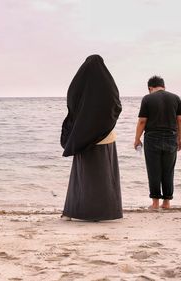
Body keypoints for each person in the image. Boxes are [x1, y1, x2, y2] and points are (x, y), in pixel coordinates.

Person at [60, 54, 123, 221]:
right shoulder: (109, 87)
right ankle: (105, 213)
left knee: (82, 176)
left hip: (83, 135)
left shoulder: (77, 85)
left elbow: (72, 104)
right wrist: (103, 124)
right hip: (105, 136)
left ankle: (77, 211)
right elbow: (116, 106)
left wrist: (82, 125)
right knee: (104, 175)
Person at [134, 76, 181, 209]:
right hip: (171, 137)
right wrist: (180, 138)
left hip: (152, 138)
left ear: (150, 88)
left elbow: (142, 121)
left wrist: (137, 138)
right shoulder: (175, 98)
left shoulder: (147, 98)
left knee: (153, 170)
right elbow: (180, 121)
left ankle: (155, 202)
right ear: (164, 86)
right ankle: (167, 202)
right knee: (168, 170)